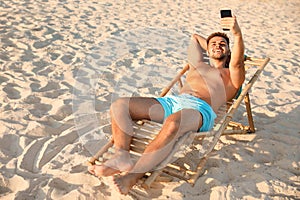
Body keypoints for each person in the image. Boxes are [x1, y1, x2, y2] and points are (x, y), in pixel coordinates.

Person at [88, 15, 245, 195]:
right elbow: (194, 37)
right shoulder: (197, 65)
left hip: (199, 109)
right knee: (120, 105)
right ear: (207, 49)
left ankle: (133, 176)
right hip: (172, 102)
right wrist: (211, 42)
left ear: (229, 51)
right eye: (213, 44)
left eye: (222, 44)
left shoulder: (231, 76)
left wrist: (236, 35)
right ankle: (121, 155)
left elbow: (238, 62)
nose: (218, 45)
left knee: (172, 124)